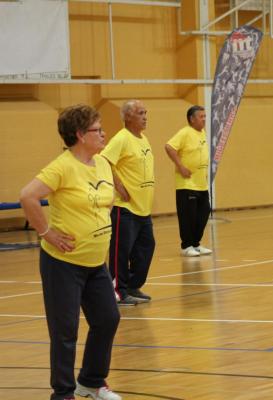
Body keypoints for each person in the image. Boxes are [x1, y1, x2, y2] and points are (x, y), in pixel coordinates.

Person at [20, 105, 122, 400]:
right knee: (65, 330)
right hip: (63, 265)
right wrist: (47, 233)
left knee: (107, 319)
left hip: (95, 263)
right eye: (97, 130)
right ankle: (63, 393)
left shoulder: (102, 163)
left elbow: (106, 201)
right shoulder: (62, 166)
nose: (103, 134)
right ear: (79, 135)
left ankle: (91, 380)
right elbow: (28, 196)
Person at [101, 100, 155, 305]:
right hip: (125, 209)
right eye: (140, 113)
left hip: (143, 208)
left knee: (146, 248)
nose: (145, 116)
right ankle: (118, 291)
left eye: (145, 112)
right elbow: (104, 159)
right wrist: (118, 184)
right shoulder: (121, 138)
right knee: (120, 252)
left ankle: (132, 285)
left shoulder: (143, 139)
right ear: (127, 117)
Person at [165, 105, 212, 257]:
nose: (204, 119)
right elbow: (169, 147)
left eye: (205, 116)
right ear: (192, 119)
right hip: (187, 184)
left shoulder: (202, 133)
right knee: (188, 216)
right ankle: (186, 246)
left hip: (201, 184)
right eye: (201, 116)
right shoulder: (185, 132)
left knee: (204, 212)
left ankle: (196, 244)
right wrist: (181, 166)